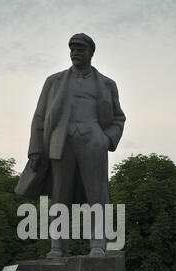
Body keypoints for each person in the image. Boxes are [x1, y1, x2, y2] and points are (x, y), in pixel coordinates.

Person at [15, 32, 126, 258]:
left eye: (80, 49)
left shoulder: (107, 84)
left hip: (93, 141)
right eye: (72, 49)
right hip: (61, 143)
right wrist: (35, 148)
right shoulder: (53, 82)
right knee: (60, 195)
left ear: (91, 53)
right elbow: (39, 116)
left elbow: (118, 119)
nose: (75, 53)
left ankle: (98, 243)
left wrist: (106, 139)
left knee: (97, 194)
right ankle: (58, 246)